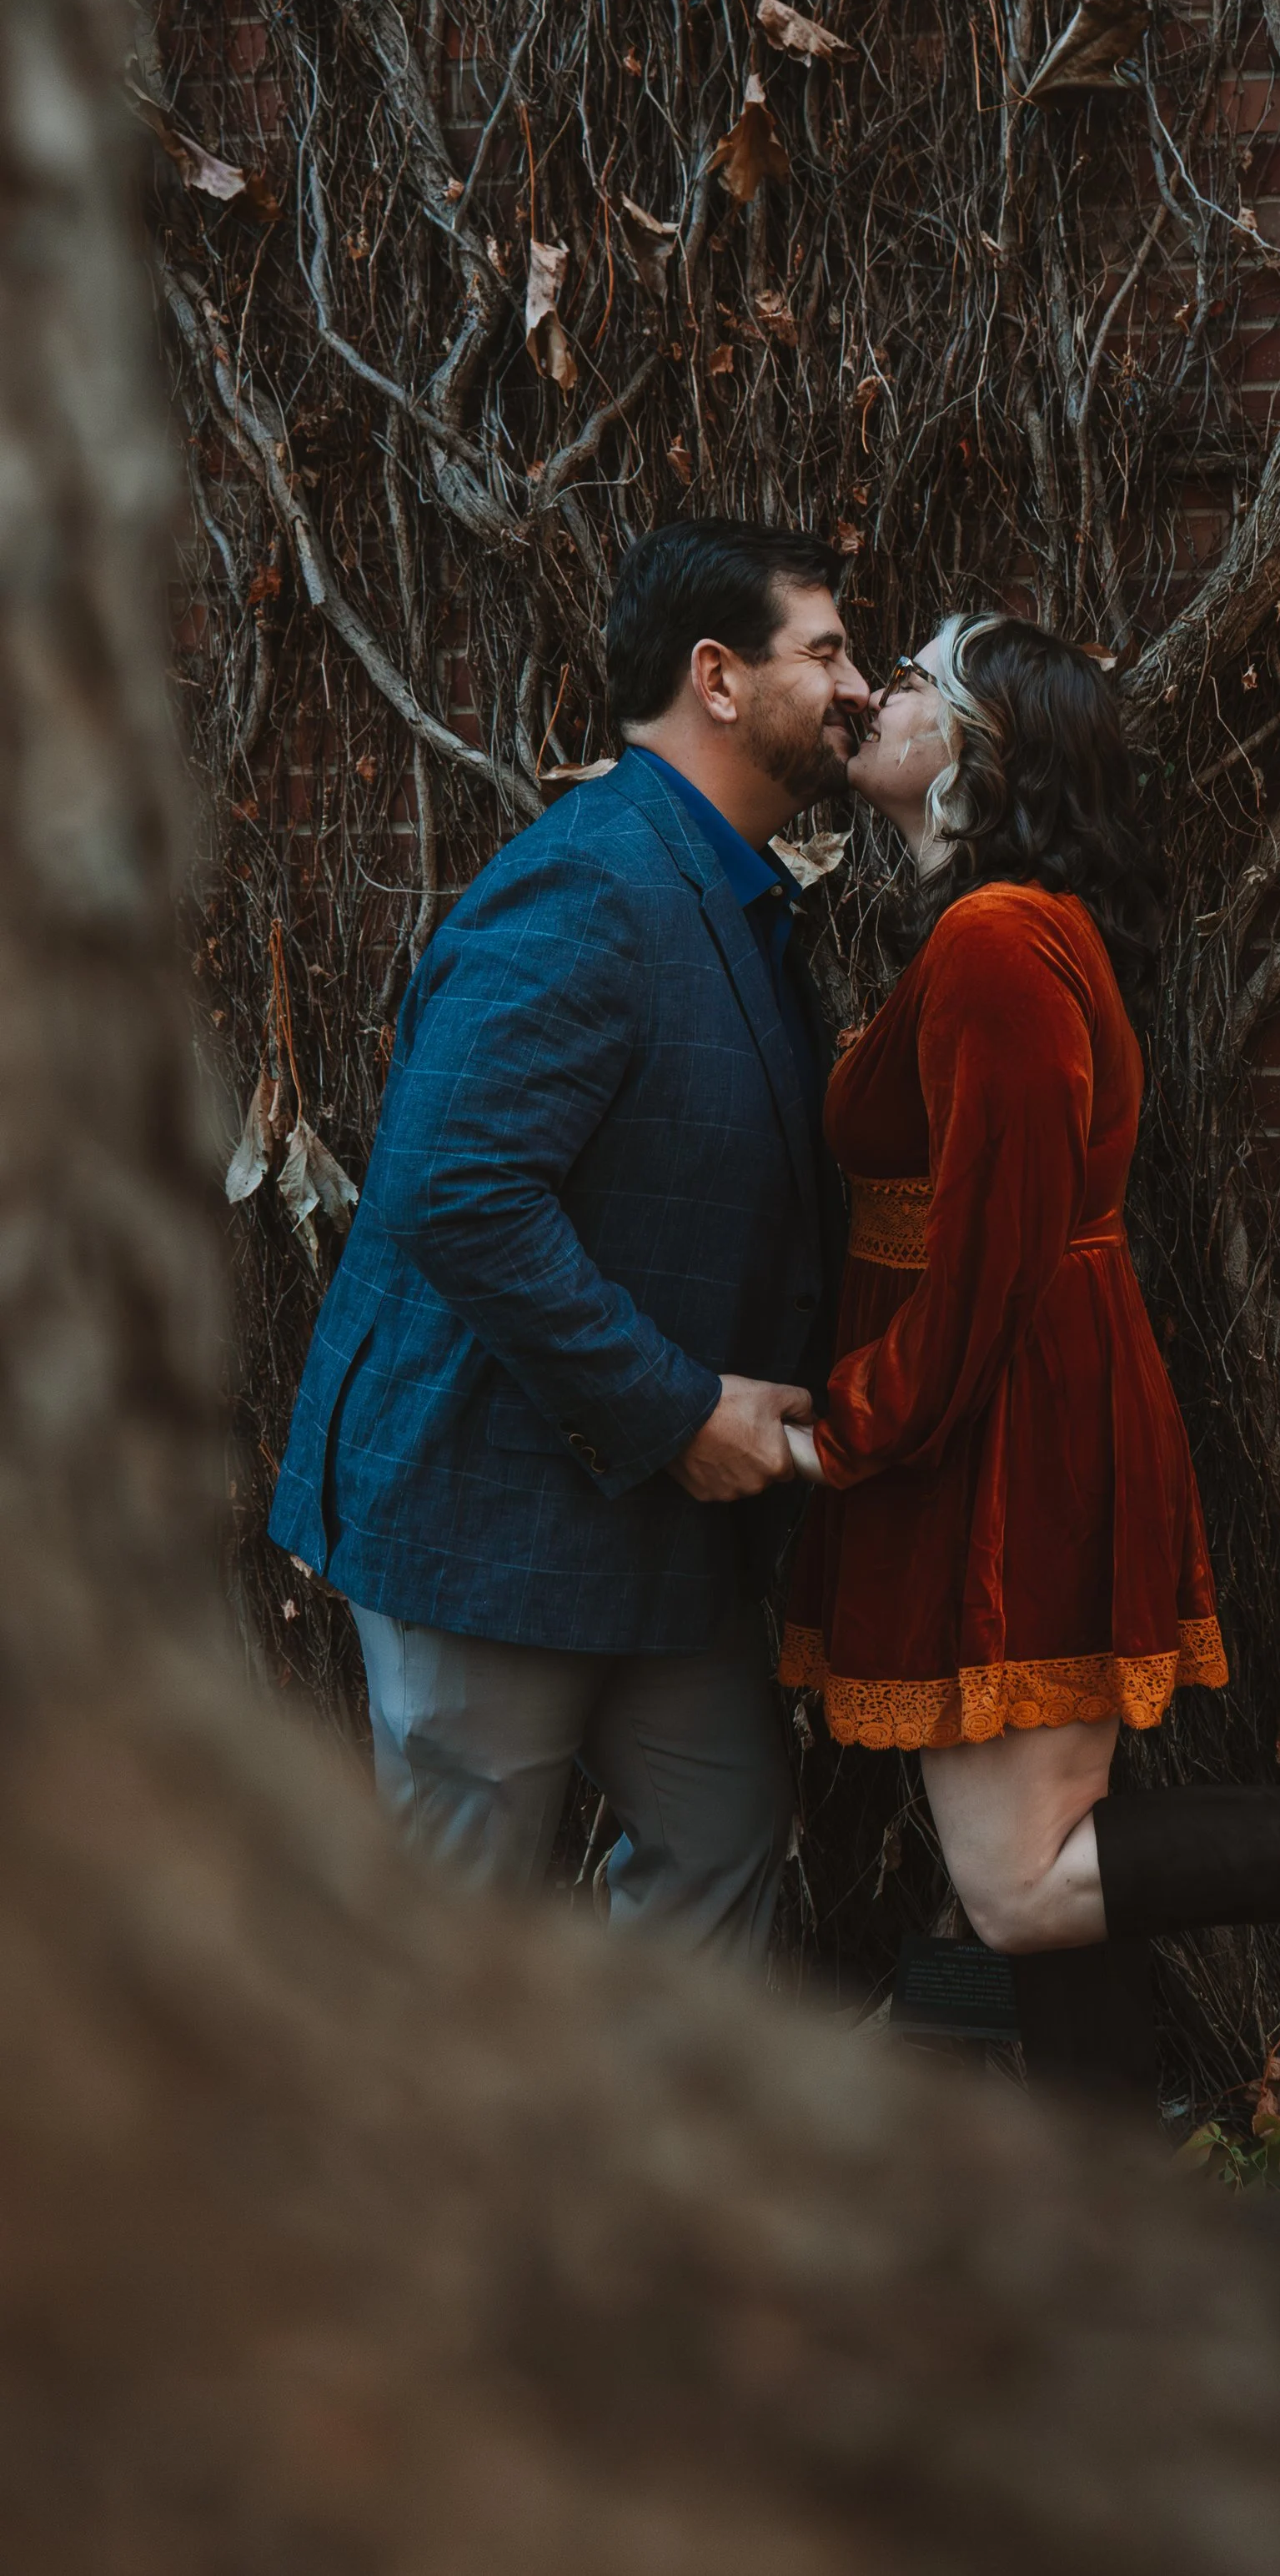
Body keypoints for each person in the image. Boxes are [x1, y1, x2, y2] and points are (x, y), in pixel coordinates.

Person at [778, 615, 1280, 2100]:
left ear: (979, 750)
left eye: (920, 679)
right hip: (1014, 1416)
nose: (880, 690)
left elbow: (990, 1257)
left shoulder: (999, 943)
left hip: (999, 1434)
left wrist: (848, 1425)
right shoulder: (1001, 931)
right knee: (1060, 1866)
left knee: (1021, 1885)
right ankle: (1112, 2197)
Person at [269, 518, 869, 1962]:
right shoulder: (593, 884)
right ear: (718, 677)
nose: (859, 687)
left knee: (721, 1834)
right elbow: (456, 1187)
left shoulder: (731, 889)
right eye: (830, 652)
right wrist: (678, 1411)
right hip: (485, 1514)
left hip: (654, 1536)